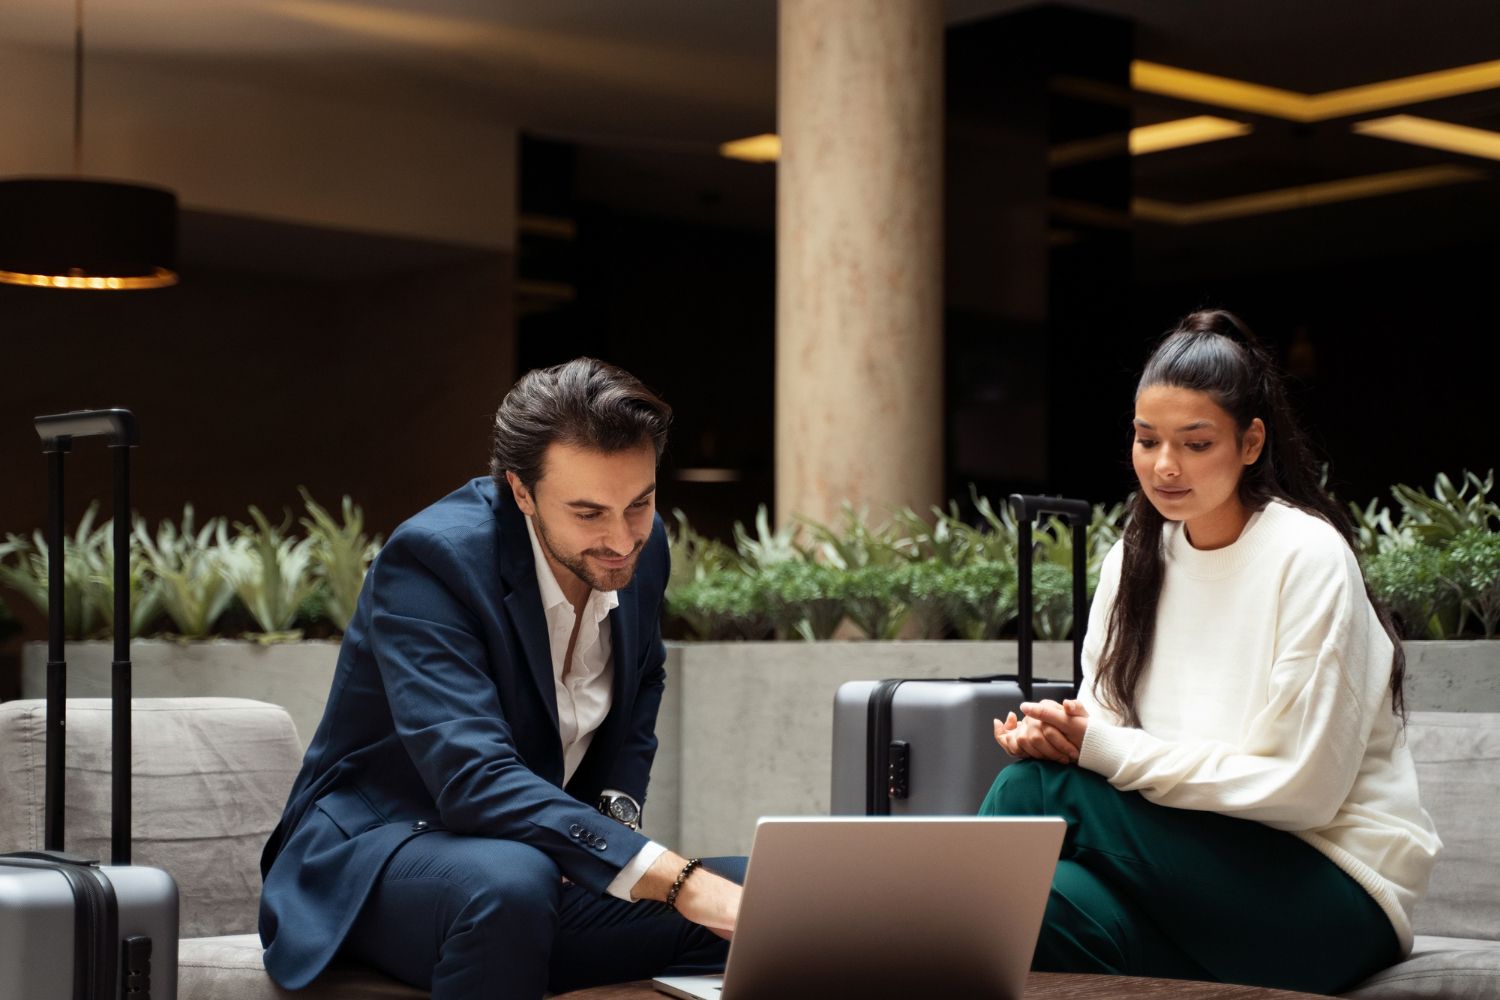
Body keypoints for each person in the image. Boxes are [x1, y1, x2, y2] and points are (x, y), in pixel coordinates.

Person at [982, 310, 1441, 995]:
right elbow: (1105, 732)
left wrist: (1092, 754)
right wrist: (1062, 738)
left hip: (1329, 894)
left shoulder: (1306, 556)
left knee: (1031, 791)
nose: (1164, 466)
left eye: (1196, 444)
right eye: (1146, 440)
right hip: (1192, 887)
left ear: (1251, 442)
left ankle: (890, 923)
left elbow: (1302, 791)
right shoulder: (1132, 562)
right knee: (1031, 907)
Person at [259, 358, 743, 1000]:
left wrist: (608, 831)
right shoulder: (432, 561)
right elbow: (474, 779)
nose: (622, 539)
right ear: (521, 492)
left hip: (535, 864)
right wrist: (678, 880)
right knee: (509, 884)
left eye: (640, 503)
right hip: (378, 863)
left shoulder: (641, 553)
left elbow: (642, 682)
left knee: (775, 895)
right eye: (589, 512)